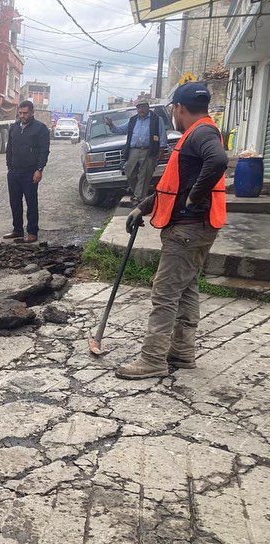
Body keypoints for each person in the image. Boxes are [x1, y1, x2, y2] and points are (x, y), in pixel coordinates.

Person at [116, 83, 228, 380]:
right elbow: (172, 186)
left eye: (172, 110)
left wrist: (194, 197)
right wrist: (142, 208)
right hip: (198, 228)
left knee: (164, 293)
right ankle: (181, 351)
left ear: (178, 107)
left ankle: (152, 359)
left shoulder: (201, 133)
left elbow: (218, 161)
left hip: (188, 229)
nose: (172, 115)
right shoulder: (197, 133)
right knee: (186, 288)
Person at [4, 101, 50, 243]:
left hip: (30, 173)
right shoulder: (14, 128)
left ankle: (32, 232)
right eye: (20, 113)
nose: (22, 116)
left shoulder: (40, 129)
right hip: (14, 172)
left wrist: (39, 169)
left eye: (25, 113)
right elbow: (9, 148)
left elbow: (44, 150)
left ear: (32, 112)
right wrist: (9, 165)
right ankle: (17, 230)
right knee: (15, 202)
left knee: (31, 202)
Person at [105, 100, 167, 203]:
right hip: (133, 150)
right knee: (129, 172)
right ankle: (138, 194)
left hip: (149, 150)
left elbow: (162, 134)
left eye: (143, 107)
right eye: (138, 107)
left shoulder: (156, 119)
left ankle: (139, 198)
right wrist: (111, 125)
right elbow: (121, 130)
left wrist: (162, 149)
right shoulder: (133, 120)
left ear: (148, 107)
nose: (140, 109)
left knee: (145, 174)